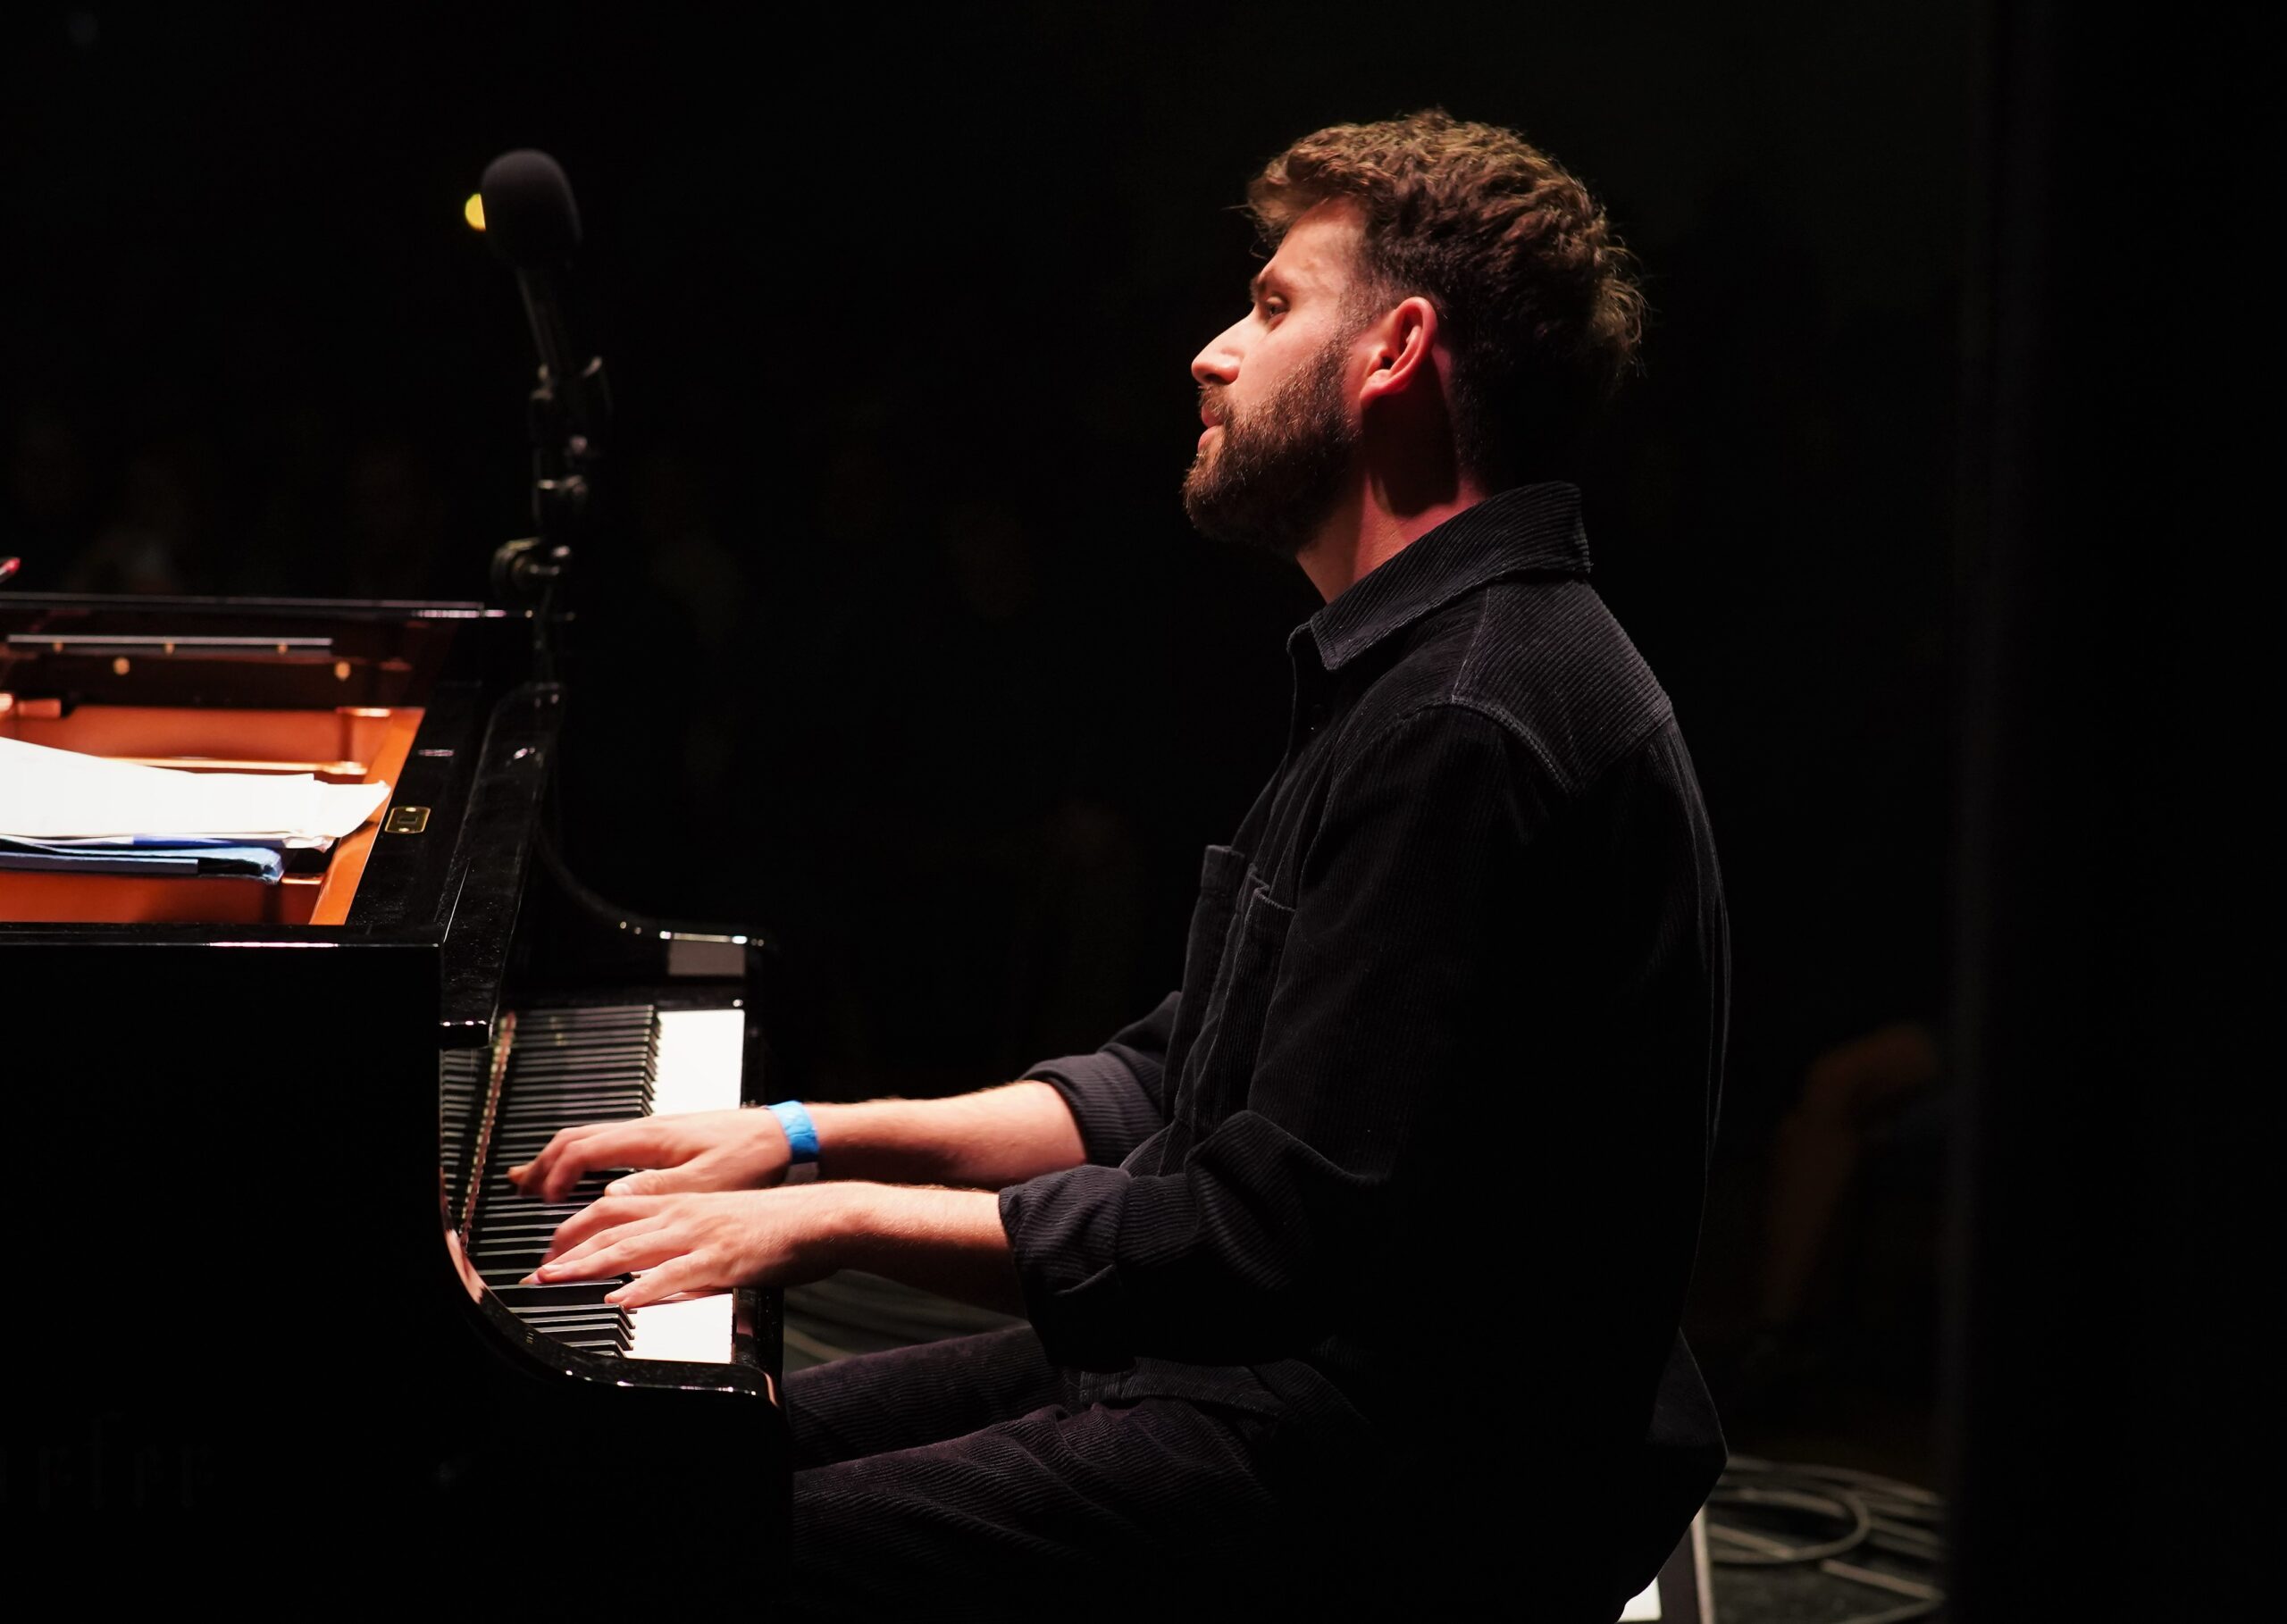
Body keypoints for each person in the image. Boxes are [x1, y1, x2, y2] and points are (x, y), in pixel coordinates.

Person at [509, 109, 1728, 1620]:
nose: (1213, 353)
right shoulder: (1426, 662)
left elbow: (1256, 1239)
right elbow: (1169, 1078)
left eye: (1272, 305)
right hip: (1277, 1385)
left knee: (662, 1537)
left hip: (1398, 1482)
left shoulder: (1472, 716)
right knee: (654, 1458)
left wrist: (824, 1225)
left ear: (1397, 351)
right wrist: (802, 1138)